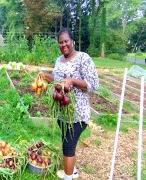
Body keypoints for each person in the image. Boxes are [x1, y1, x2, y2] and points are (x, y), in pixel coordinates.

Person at [39, 28, 99, 179]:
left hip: (77, 114)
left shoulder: (83, 58)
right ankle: (72, 171)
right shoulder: (59, 60)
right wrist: (46, 77)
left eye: (66, 41)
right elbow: (58, 82)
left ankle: (68, 177)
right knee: (68, 142)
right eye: (60, 42)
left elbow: (93, 84)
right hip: (62, 113)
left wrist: (72, 81)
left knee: (68, 145)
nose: (63, 44)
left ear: (72, 41)